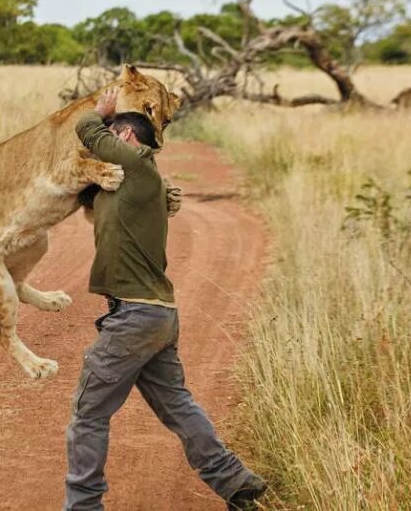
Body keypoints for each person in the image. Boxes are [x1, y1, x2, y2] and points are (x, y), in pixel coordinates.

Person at [64, 88, 267, 511]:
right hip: (157, 316)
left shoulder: (137, 167)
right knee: (177, 405)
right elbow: (83, 185)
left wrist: (97, 114)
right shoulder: (135, 184)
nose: (106, 146)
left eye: (113, 135)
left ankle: (82, 506)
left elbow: (88, 131)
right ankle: (235, 483)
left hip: (134, 318)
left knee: (89, 414)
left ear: (127, 139)